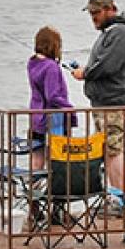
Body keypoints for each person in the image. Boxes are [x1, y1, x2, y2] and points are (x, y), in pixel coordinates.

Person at [71, 0, 125, 191]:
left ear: (110, 9)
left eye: (96, 12)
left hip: (113, 103)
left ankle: (121, 197)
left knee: (113, 150)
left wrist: (85, 73)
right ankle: (115, 194)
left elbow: (108, 65)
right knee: (107, 151)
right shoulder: (110, 33)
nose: (93, 18)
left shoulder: (120, 32)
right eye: (91, 13)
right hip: (103, 103)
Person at [25, 26, 72, 172]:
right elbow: (52, 96)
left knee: (36, 155)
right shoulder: (51, 67)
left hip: (35, 116)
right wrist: (69, 107)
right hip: (52, 119)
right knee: (56, 156)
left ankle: (34, 188)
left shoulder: (32, 63)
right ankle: (54, 188)